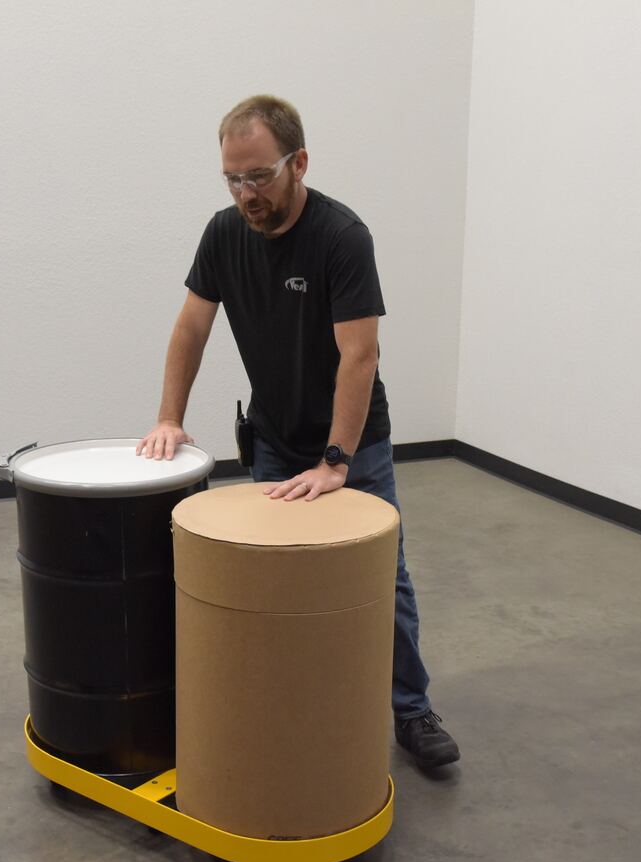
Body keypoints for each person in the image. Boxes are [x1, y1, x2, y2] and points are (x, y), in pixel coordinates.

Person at [136, 95, 460, 768]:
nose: (245, 194)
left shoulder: (341, 237)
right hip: (275, 439)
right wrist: (169, 416)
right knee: (280, 579)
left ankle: (411, 709)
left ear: (299, 163)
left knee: (379, 578)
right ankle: (294, 706)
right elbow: (191, 326)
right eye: (232, 178)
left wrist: (336, 460)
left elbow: (359, 356)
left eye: (259, 176)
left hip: (352, 444)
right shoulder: (223, 234)